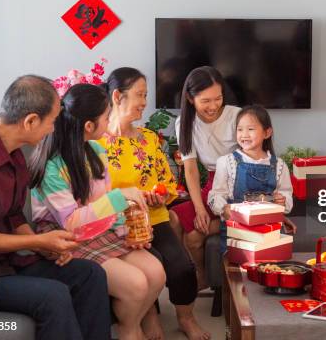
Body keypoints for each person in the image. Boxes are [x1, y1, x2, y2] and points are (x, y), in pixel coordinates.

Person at [0, 75, 111, 340]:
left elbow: (12, 215)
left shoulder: (16, 154)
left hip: (7, 261)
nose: (55, 129)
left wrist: (43, 246)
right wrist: (39, 240)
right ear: (31, 120)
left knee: (90, 273)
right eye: (52, 121)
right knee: (53, 297)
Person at [29, 83, 166, 340]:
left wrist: (126, 231)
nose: (110, 122)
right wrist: (119, 197)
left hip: (98, 227)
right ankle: (130, 332)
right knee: (135, 284)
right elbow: (72, 222)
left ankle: (129, 325)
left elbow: (103, 202)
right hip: (66, 235)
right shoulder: (52, 168)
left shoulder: (95, 151)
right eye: (106, 117)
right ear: (89, 126)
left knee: (156, 273)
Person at [99, 67, 210, 340]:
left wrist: (161, 196)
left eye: (145, 95)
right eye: (139, 95)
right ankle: (148, 316)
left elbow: (168, 182)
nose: (144, 102)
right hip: (117, 223)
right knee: (153, 265)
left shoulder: (149, 139)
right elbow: (91, 194)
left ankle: (186, 318)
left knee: (182, 266)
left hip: (155, 217)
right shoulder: (97, 143)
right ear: (117, 96)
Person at [170, 66, 241, 289]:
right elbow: (190, 168)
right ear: (190, 99)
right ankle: (192, 273)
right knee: (172, 218)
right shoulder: (185, 122)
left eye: (218, 98)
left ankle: (202, 277)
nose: (213, 106)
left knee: (193, 236)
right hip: (211, 183)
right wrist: (200, 208)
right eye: (205, 101)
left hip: (238, 183)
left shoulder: (237, 116)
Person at [208, 105, 294, 253]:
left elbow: (286, 196)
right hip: (236, 232)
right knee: (237, 270)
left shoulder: (279, 165)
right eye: (240, 129)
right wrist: (224, 208)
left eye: (251, 129)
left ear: (267, 133)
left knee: (269, 266)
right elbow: (216, 195)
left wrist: (282, 201)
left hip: (269, 233)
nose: (244, 134)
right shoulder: (226, 162)